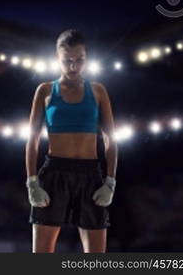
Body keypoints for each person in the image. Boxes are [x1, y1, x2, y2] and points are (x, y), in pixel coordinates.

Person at [25, 29, 118, 253]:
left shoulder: (98, 91)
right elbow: (32, 140)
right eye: (67, 61)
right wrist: (32, 182)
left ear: (87, 58)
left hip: (90, 176)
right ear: (57, 58)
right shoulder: (45, 90)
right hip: (55, 173)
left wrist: (110, 182)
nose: (74, 66)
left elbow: (111, 140)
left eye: (80, 60)